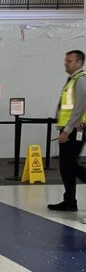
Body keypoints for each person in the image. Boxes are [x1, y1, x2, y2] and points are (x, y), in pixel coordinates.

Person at [48, 50, 86, 212]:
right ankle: (69, 200)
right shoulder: (72, 80)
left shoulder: (80, 80)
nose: (66, 63)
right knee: (65, 165)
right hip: (68, 127)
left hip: (74, 129)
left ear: (79, 62)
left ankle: (70, 200)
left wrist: (67, 130)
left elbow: (80, 106)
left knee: (69, 164)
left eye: (69, 61)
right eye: (66, 60)